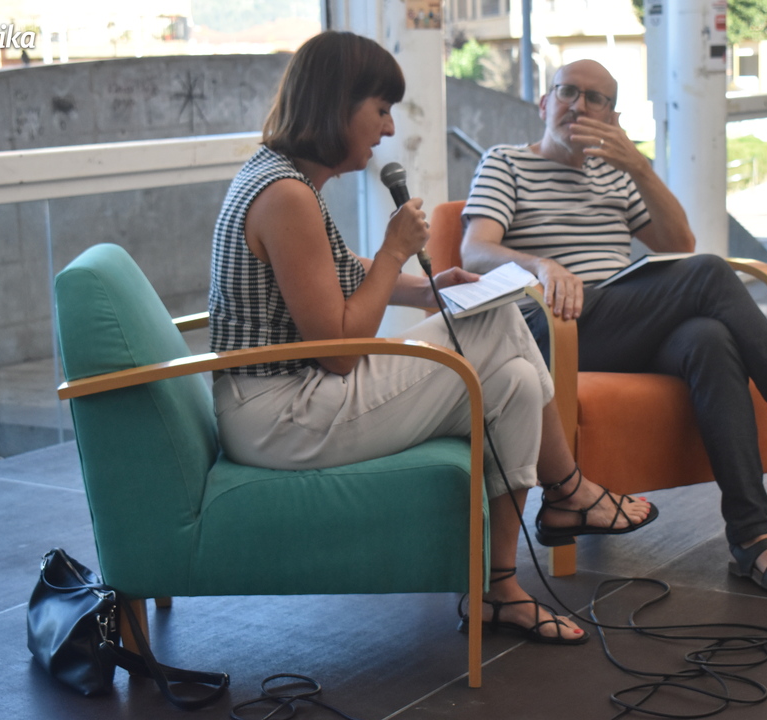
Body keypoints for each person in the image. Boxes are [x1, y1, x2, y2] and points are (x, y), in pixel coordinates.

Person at [208, 32, 657, 645]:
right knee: (498, 318)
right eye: (380, 110)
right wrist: (396, 252)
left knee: (516, 381)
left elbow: (330, 273)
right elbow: (338, 355)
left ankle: (500, 589)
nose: (389, 129)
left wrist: (426, 289)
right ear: (338, 105)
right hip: (283, 416)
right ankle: (570, 489)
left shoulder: (284, 179)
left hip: (289, 399)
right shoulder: (287, 196)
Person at [460, 59, 767, 601]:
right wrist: (542, 266)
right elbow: (475, 250)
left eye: (596, 99)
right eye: (567, 91)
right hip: (550, 327)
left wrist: (640, 168)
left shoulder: (616, 175)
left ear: (613, 117)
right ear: (545, 103)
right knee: (709, 273)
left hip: (621, 324)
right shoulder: (506, 163)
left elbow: (677, 244)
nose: (579, 105)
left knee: (710, 338)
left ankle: (752, 538)